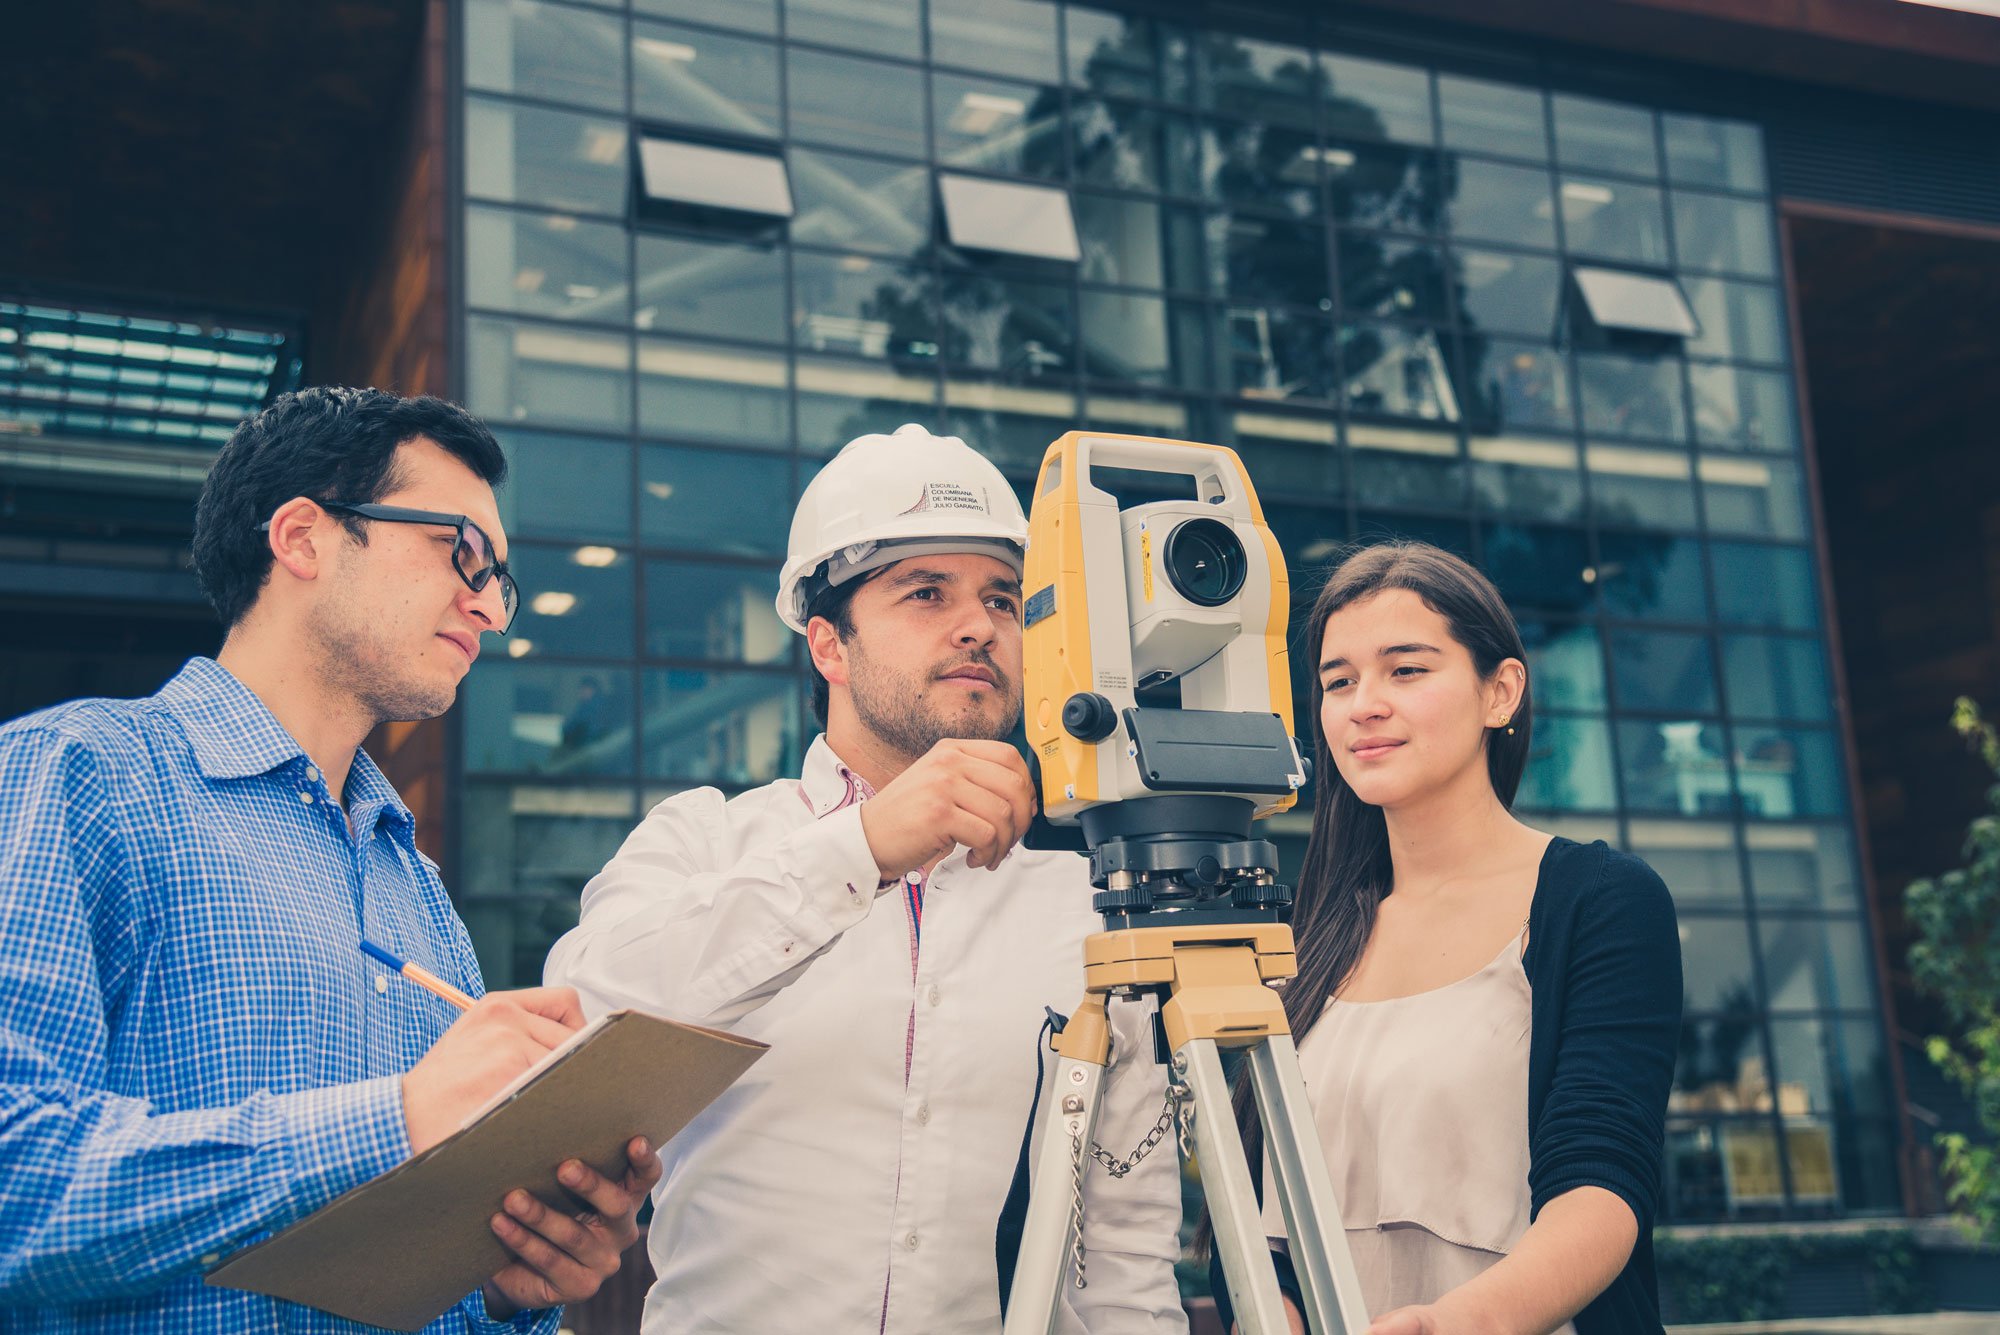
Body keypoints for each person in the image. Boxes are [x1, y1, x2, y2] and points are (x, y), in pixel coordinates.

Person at [0, 388, 658, 1333]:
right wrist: (392, 1121)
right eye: (461, 549)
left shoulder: (413, 883)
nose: (487, 602)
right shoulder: (79, 774)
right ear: (304, 538)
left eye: (499, 580)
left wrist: (506, 1284)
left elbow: (425, 1268)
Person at [545, 423, 1187, 1334]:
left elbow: (1122, 1256)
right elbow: (576, 1029)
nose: (980, 624)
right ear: (828, 645)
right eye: (925, 592)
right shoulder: (704, 842)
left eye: (1003, 600)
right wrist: (862, 848)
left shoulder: (1082, 905)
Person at [1213, 541, 1681, 1335]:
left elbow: (1602, 1186)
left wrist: (1454, 1325)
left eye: (1407, 669)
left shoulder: (1598, 901)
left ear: (1500, 691)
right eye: (1338, 681)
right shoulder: (1314, 933)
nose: (1364, 703)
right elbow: (1257, 1217)